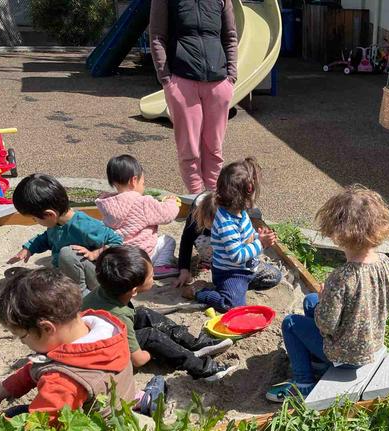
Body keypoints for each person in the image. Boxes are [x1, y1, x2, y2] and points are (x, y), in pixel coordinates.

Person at [0, 268, 136, 431]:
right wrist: (0, 393)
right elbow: (43, 364)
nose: (22, 342)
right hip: (119, 421)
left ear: (47, 328)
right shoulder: (102, 332)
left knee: (13, 418)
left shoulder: (62, 382)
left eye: (22, 336)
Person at [266, 185, 389, 402]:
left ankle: (303, 384)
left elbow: (326, 324)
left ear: (338, 232)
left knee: (290, 323)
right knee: (310, 301)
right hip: (372, 344)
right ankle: (318, 361)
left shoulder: (341, 278)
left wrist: (325, 299)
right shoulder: (386, 263)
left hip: (346, 355)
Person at [83, 245, 236, 382]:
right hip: (103, 355)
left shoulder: (105, 291)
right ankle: (202, 368)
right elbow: (138, 360)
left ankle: (193, 344)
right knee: (150, 336)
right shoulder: (119, 316)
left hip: (102, 336)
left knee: (143, 313)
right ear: (134, 291)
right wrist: (158, 351)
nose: (154, 276)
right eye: (151, 276)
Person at [149, 0, 238, 194]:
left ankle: (213, 197)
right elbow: (157, 37)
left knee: (214, 147)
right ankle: (196, 199)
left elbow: (230, 36)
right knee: (189, 149)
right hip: (182, 82)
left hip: (218, 83)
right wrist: (166, 79)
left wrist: (231, 76)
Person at [7, 174, 123, 295]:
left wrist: (94, 254)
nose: (35, 221)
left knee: (67, 253)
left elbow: (117, 242)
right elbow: (47, 238)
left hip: (96, 278)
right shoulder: (56, 224)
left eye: (34, 219)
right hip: (69, 272)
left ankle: (82, 296)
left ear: (49, 214)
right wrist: (29, 248)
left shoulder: (85, 226)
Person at [194, 158, 282, 312]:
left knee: (275, 276)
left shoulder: (240, 212)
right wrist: (261, 243)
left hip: (249, 267)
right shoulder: (226, 222)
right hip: (230, 272)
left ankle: (238, 288)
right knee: (232, 306)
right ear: (246, 193)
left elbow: (247, 237)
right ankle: (202, 293)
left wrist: (258, 237)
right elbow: (237, 256)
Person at [175, 191, 282, 295]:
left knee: (274, 275)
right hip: (223, 266)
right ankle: (212, 285)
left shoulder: (232, 218)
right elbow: (186, 242)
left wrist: (260, 239)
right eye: (214, 225)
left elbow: (245, 238)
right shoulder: (197, 218)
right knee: (230, 298)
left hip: (241, 263)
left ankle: (233, 287)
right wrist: (184, 269)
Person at [96, 154, 181, 278]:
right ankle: (160, 266)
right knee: (167, 240)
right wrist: (172, 202)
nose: (143, 186)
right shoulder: (142, 202)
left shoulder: (107, 204)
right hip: (143, 254)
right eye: (143, 183)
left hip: (121, 257)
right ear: (134, 180)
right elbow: (167, 214)